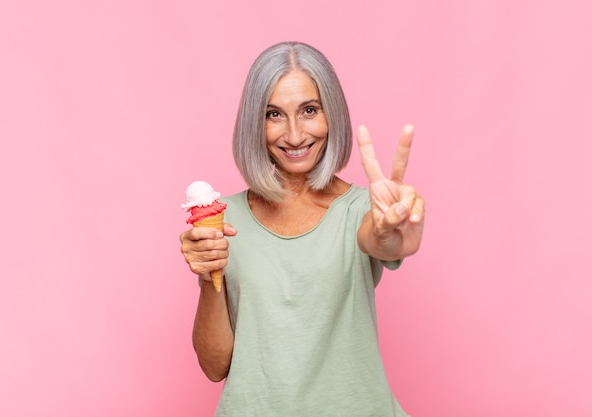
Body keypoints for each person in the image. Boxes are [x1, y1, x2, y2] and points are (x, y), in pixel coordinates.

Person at [180, 41, 425, 417]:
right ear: (254, 123)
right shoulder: (224, 222)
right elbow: (215, 367)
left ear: (332, 115)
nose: (294, 135)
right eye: (274, 114)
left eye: (309, 110)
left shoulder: (362, 210)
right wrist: (208, 270)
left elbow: (377, 238)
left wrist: (392, 235)